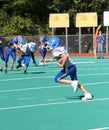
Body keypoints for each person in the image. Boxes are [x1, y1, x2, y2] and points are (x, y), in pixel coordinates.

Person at [46, 36, 93, 100]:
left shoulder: (55, 51)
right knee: (76, 82)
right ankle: (87, 94)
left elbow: (65, 56)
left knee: (57, 79)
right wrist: (47, 60)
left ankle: (72, 83)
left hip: (68, 68)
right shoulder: (61, 49)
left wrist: (61, 64)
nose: (48, 45)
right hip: (73, 66)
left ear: (54, 44)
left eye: (50, 44)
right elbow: (58, 57)